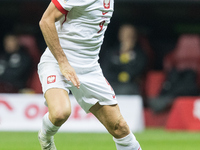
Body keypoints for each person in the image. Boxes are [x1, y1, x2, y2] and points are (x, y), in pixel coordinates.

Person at [38, 0, 142, 150]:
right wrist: (63, 62)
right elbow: (45, 21)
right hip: (57, 61)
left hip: (89, 68)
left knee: (120, 127)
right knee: (60, 113)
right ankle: (45, 138)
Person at [102, 24, 147, 95]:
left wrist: (126, 54)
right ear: (120, 35)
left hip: (129, 87)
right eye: (125, 34)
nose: (128, 37)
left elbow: (135, 73)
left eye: (130, 35)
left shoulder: (140, 54)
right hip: (111, 85)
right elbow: (106, 71)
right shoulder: (111, 52)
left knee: (126, 90)